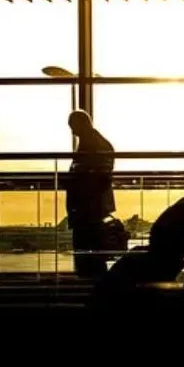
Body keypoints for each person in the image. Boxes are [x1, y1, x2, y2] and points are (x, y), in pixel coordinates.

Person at [65, 110, 116, 278]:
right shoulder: (98, 143)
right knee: (93, 252)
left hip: (87, 207)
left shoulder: (93, 145)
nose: (73, 132)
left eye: (73, 127)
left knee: (87, 250)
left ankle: (90, 284)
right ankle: (93, 283)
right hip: (91, 207)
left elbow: (98, 177)